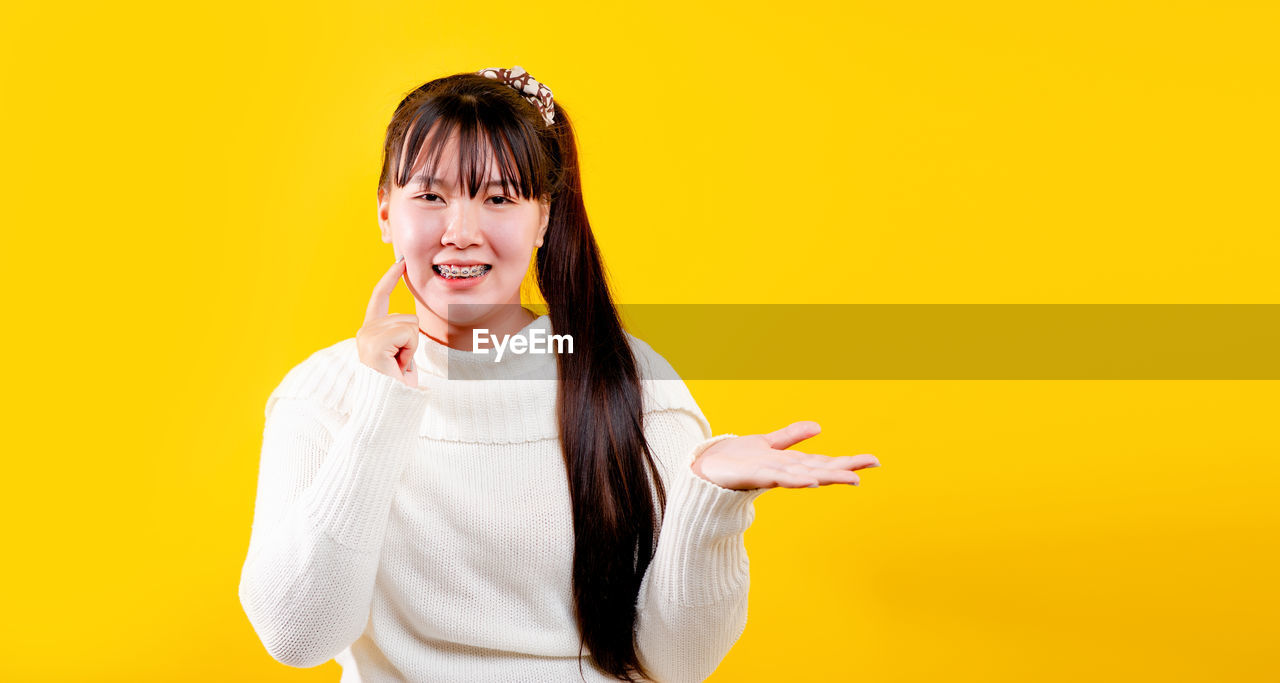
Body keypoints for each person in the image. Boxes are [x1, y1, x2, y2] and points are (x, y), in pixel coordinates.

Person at [237, 65, 881, 682]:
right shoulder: (321, 394)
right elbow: (298, 637)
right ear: (385, 211)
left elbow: (678, 666)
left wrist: (708, 499)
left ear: (544, 216)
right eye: (430, 196)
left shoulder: (629, 381)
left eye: (498, 199)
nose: (460, 232)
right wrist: (380, 408)